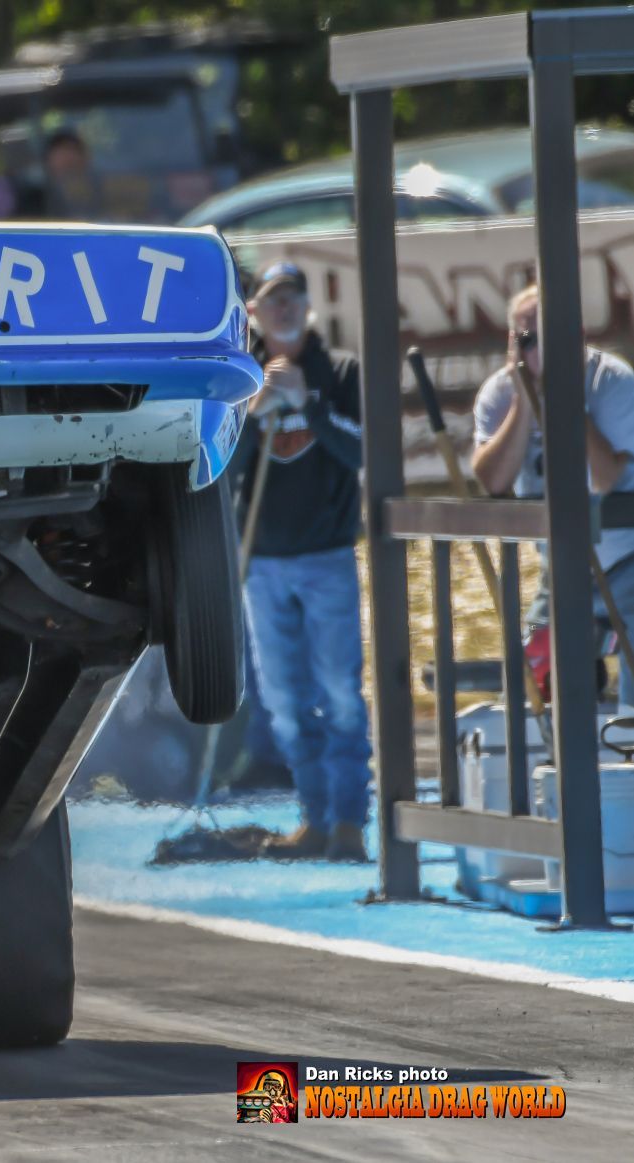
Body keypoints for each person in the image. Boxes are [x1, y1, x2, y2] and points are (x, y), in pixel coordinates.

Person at [232, 261, 372, 862]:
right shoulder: (238, 380)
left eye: (293, 298)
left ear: (308, 307)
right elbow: (219, 468)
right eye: (271, 300)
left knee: (340, 691)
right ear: (254, 314)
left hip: (326, 558)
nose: (283, 308)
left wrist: (308, 405)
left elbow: (362, 450)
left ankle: (349, 822)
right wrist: (253, 411)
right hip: (262, 563)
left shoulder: (340, 372)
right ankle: (314, 817)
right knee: (284, 700)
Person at [472, 284, 634, 707]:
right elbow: (492, 481)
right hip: (561, 567)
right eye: (524, 339)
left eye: (544, 337)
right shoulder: (499, 392)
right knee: (533, 671)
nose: (534, 350)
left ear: (576, 335)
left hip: (626, 558)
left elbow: (605, 479)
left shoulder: (612, 381)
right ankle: (555, 756)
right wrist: (526, 403)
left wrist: (567, 399)